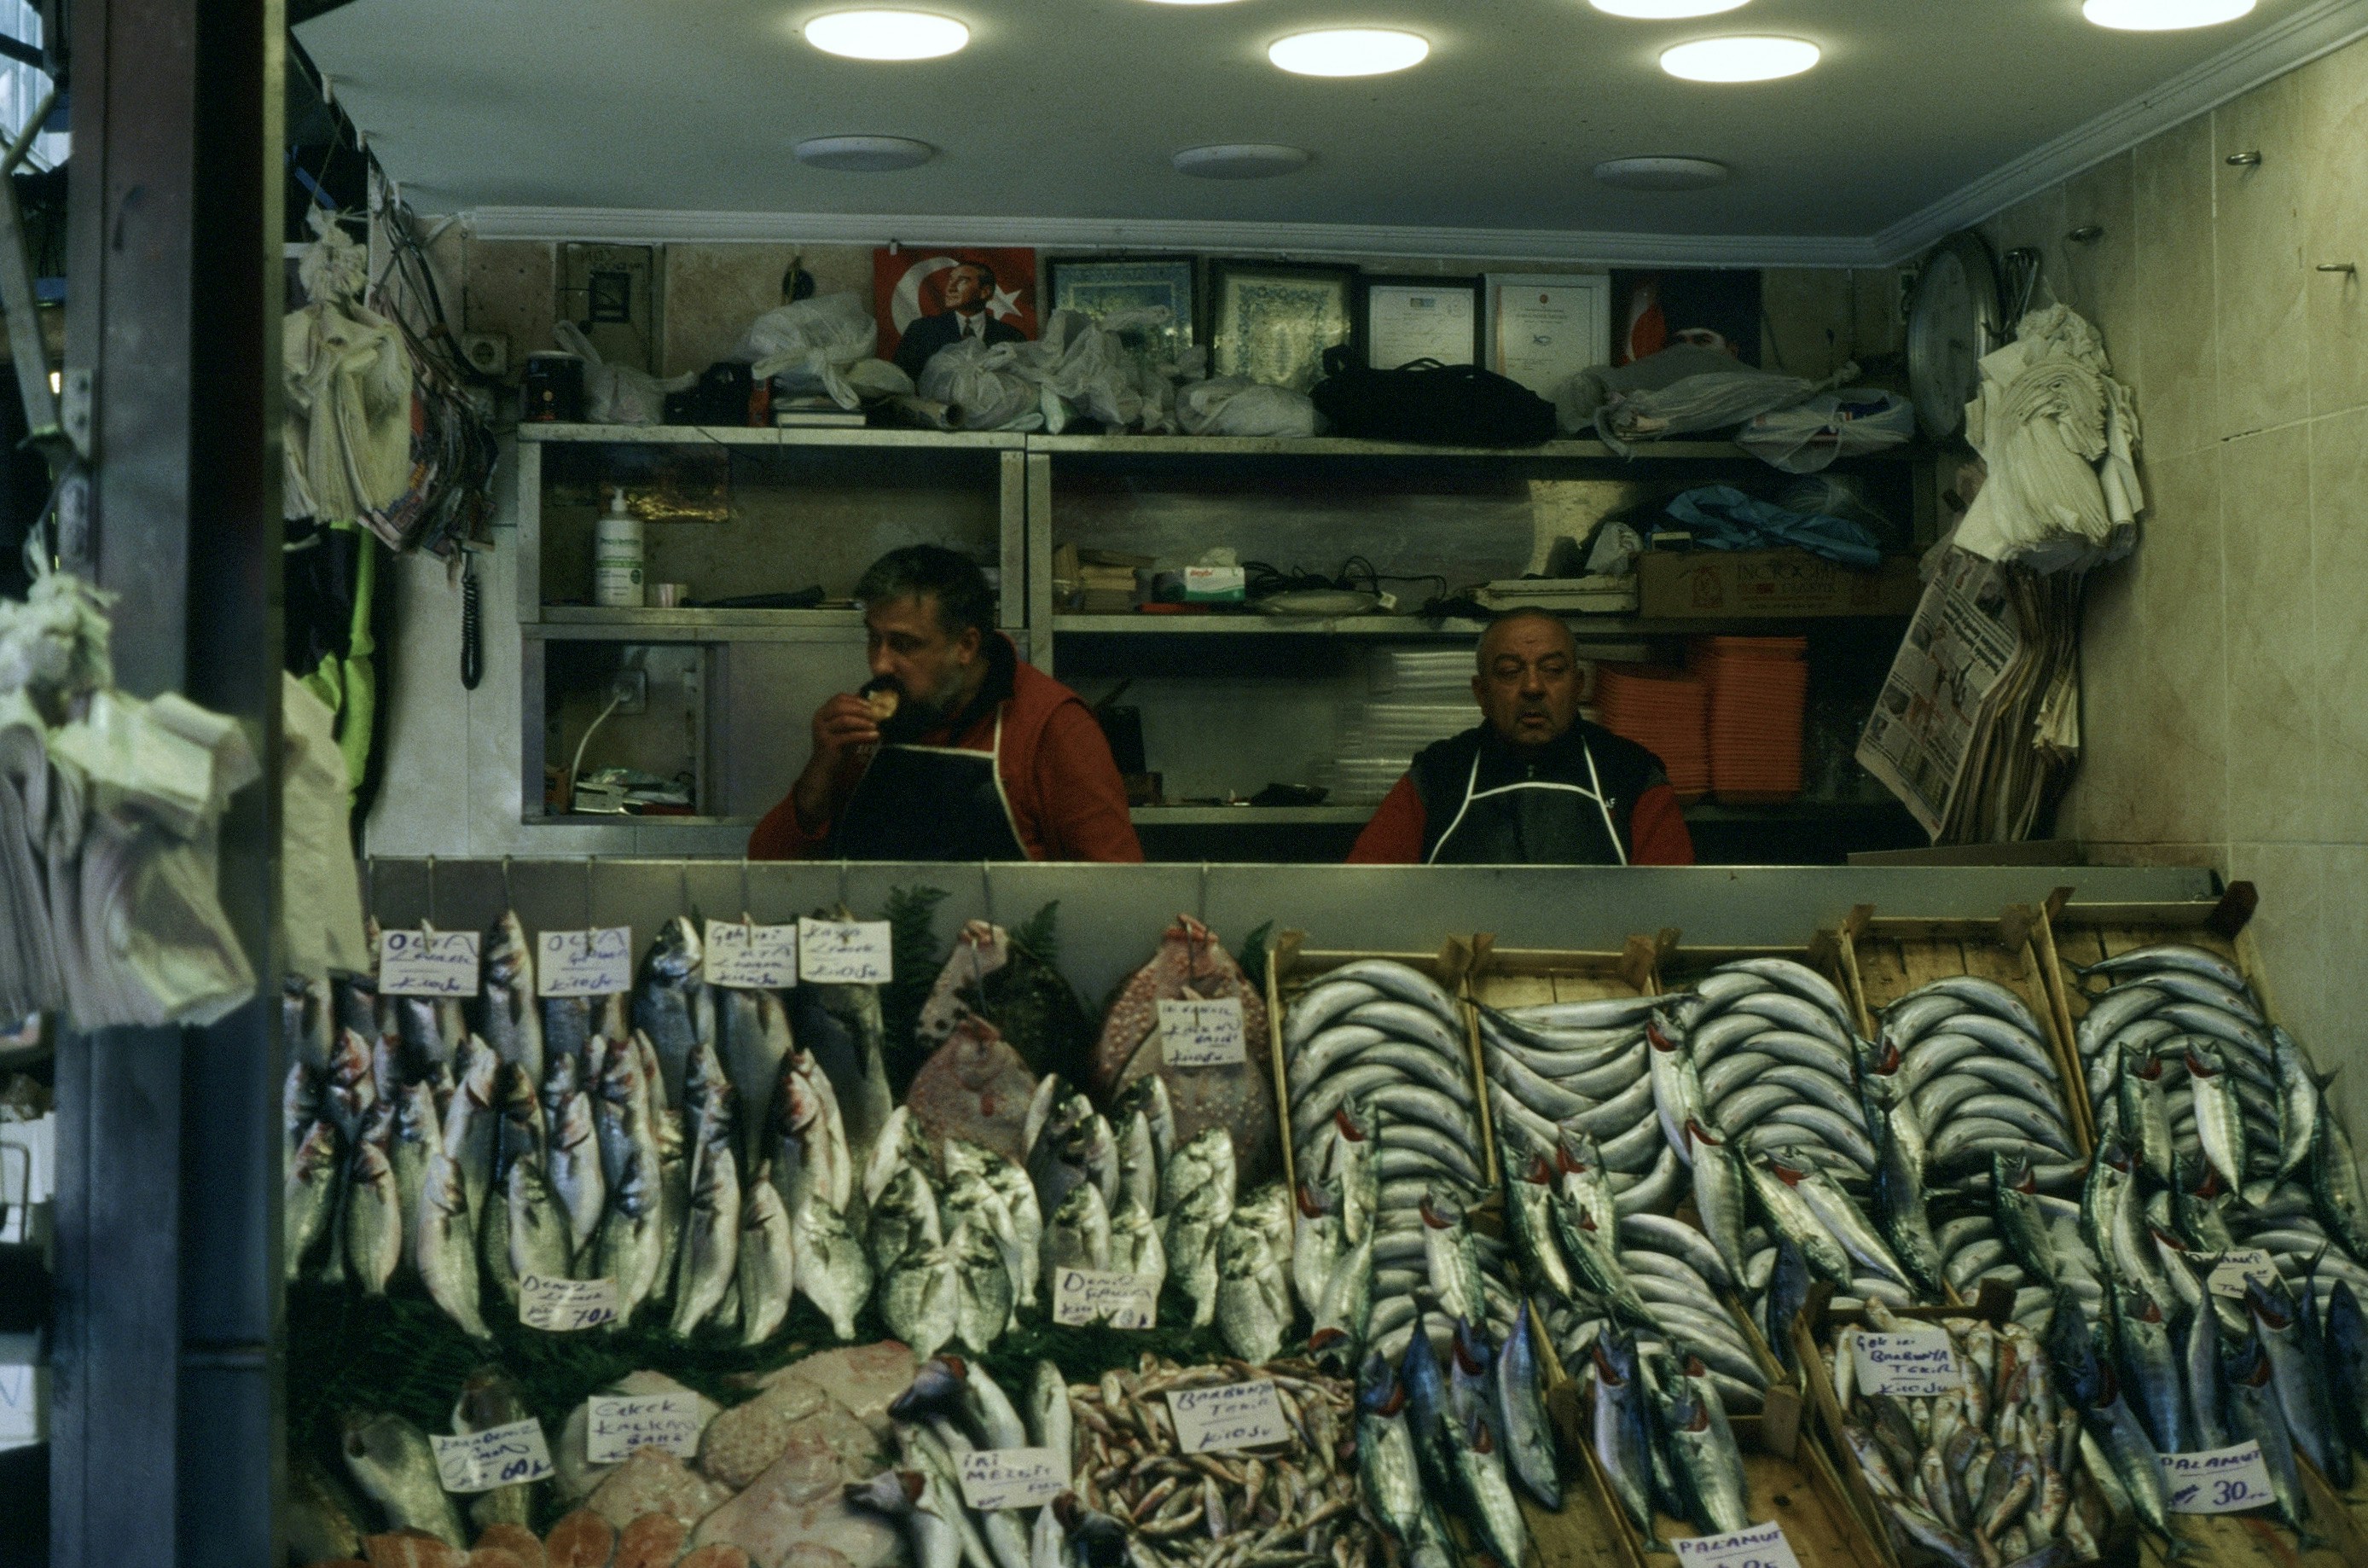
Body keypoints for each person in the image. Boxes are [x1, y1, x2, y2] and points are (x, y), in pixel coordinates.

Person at [749, 545, 1142, 862]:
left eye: (904, 644)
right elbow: (770, 868)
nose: (880, 663)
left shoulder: (1054, 726)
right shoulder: (867, 726)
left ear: (966, 646)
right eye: (873, 639)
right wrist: (821, 769)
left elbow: (1114, 886)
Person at [1346, 609, 1694, 865]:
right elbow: (1368, 891)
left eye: (1553, 670)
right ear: (1481, 694)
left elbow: (1672, 908)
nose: (1532, 687)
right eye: (1510, 672)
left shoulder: (1631, 773)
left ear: (1578, 687)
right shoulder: (1438, 774)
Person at [891, 259, 1026, 382]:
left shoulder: (1011, 337)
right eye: (950, 280)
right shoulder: (921, 331)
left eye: (962, 281)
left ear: (984, 292)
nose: (951, 287)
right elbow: (900, 381)